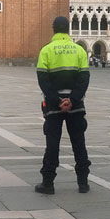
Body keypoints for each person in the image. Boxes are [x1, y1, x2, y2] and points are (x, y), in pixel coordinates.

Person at [34, 15, 92, 194]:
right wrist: (72, 100)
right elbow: (84, 79)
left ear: (53, 29)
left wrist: (57, 101)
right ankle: (83, 183)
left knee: (52, 144)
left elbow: (43, 80)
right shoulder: (79, 50)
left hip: (53, 106)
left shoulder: (46, 50)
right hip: (75, 105)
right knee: (78, 142)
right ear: (68, 30)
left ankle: (48, 183)